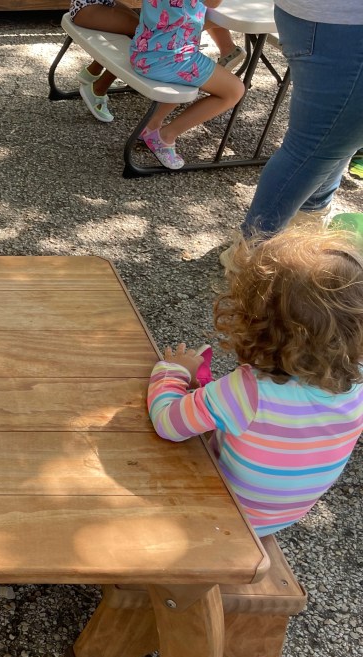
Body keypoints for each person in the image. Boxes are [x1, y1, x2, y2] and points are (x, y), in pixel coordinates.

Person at [147, 226, 363, 536]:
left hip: (226, 516)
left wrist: (173, 372)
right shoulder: (357, 384)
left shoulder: (247, 391)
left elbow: (167, 424)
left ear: (256, 325)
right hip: (279, 518)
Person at [238, 3, 363, 238]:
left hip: (326, 20)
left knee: (338, 139)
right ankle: (254, 250)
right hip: (344, 24)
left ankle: (302, 234)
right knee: (315, 147)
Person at [72, 0, 243, 124]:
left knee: (147, 29)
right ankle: (98, 88)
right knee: (143, 32)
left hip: (102, 4)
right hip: (88, 7)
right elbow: (213, 4)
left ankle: (93, 74)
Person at [128, 0, 244, 169]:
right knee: (234, 90)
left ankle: (151, 124)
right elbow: (214, 3)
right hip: (171, 59)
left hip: (144, 49)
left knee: (192, 78)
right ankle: (165, 136)